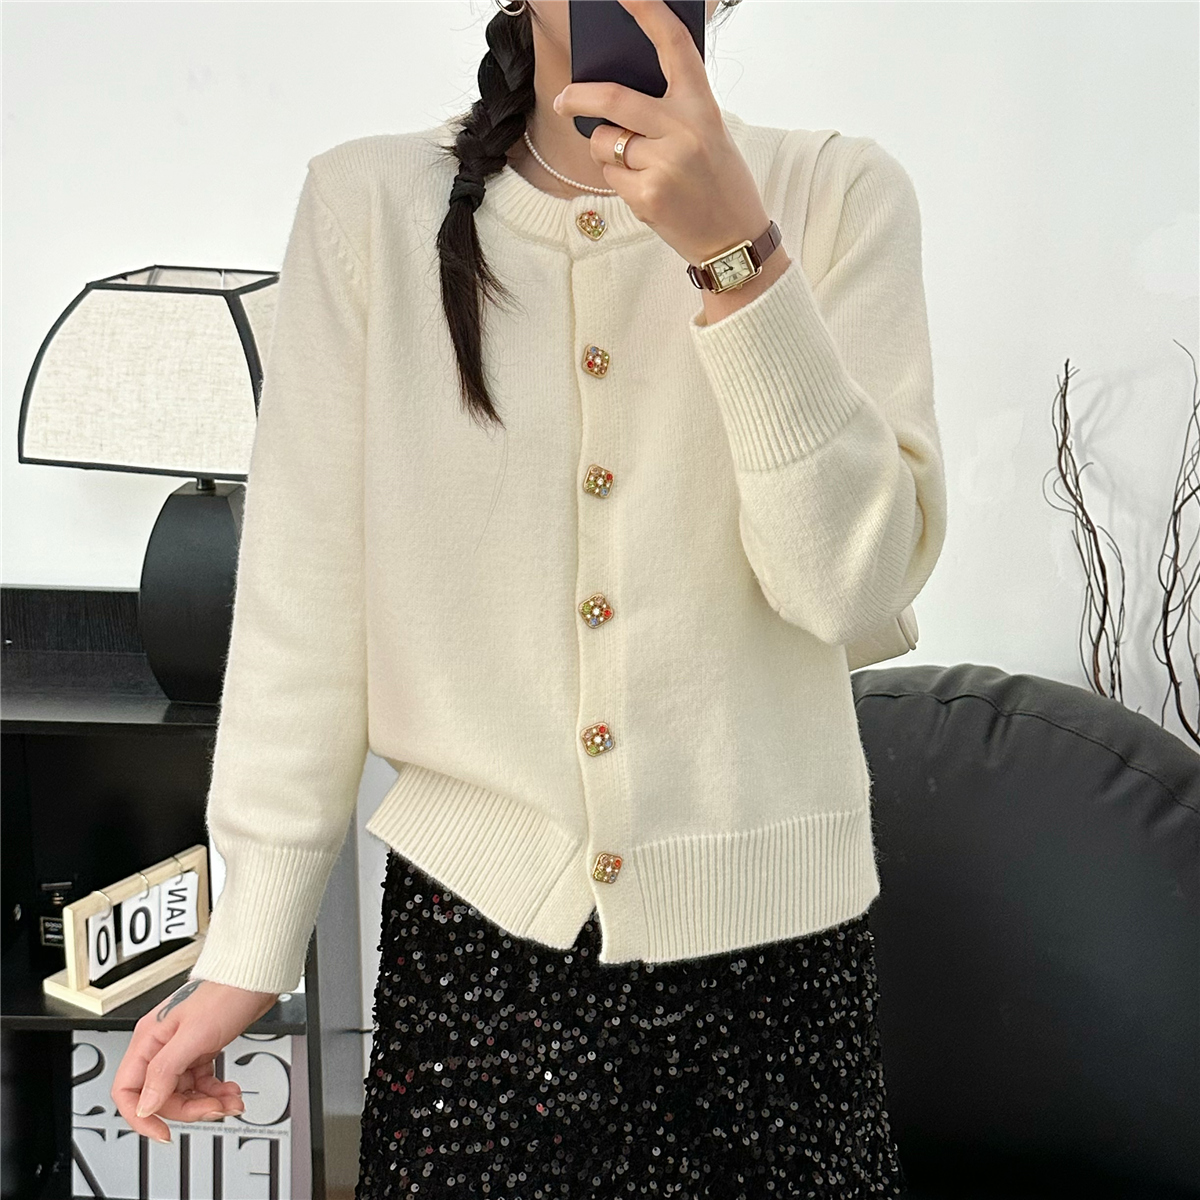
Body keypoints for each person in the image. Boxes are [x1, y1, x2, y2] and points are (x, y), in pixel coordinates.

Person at [111, 0, 947, 1194]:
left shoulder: (838, 195)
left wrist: (738, 259)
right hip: (477, 972)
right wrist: (250, 944)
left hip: (775, 979)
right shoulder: (368, 208)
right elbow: (305, 608)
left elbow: (848, 591)